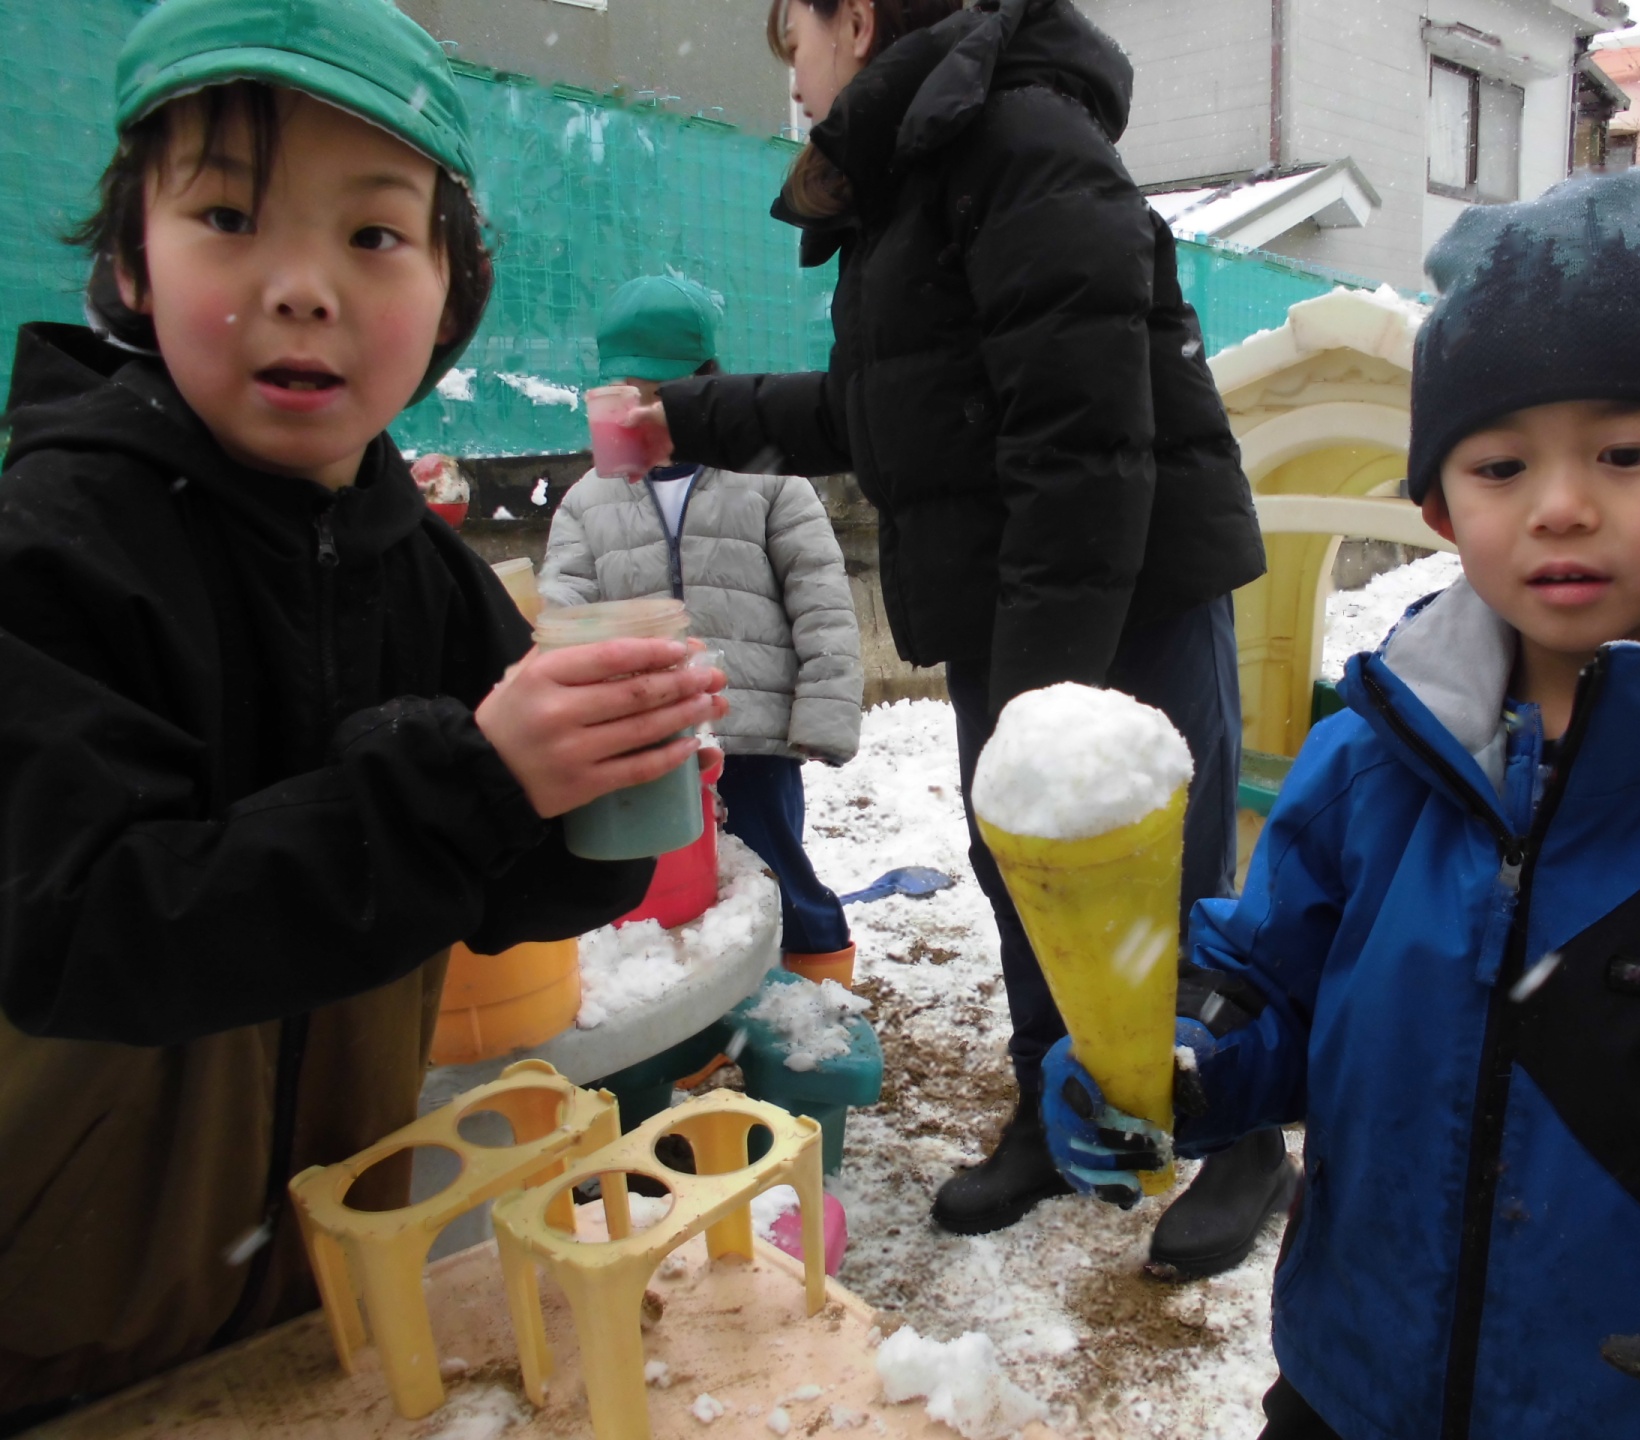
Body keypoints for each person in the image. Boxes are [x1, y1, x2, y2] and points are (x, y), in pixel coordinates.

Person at [1041, 167, 1640, 1439]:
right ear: (1441, 510)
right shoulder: (1374, 756)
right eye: (1501, 465)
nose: (1561, 505)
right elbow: (1271, 982)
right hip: (1347, 1390)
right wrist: (1169, 1056)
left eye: (1626, 453)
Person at [0, 0, 726, 1427]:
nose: (302, 287)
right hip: (54, 1307)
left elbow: (505, 889)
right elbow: (80, 930)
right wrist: (474, 782)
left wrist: (595, 795)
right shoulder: (56, 551)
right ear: (132, 263)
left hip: (323, 1270)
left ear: (450, 297)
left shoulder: (423, 572)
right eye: (227, 216)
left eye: (375, 233)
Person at [620, 0, 1286, 1276]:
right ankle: (1055, 1104)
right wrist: (690, 417)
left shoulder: (1023, 141)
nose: (797, 86)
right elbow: (888, 410)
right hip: (1007, 586)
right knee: (1015, 861)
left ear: (858, 19)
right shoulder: (916, 179)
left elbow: (1082, 442)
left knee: (1166, 883)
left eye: (798, 47)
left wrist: (1042, 704)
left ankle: (1240, 1134)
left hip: (1129, 585)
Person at [542, 274, 864, 976]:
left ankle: (816, 989)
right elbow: (562, 608)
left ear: (705, 382)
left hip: (751, 729)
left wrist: (824, 714)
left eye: (656, 393)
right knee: (665, 887)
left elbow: (820, 599)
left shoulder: (770, 478)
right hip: (649, 737)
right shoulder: (588, 499)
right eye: (622, 393)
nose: (637, 412)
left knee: (776, 869)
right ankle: (701, 1002)